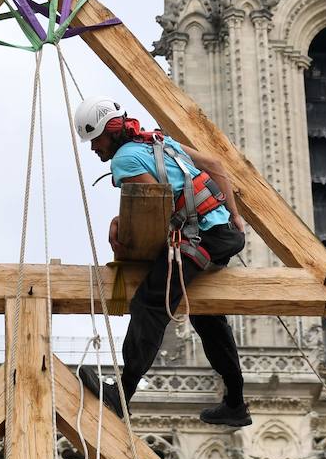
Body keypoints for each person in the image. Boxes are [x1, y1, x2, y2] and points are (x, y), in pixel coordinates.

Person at [73, 96, 252, 428]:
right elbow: (215, 165)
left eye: (94, 139)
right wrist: (236, 218)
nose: (93, 148)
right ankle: (236, 403)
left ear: (109, 132)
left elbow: (154, 208)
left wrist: (120, 229)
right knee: (206, 316)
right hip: (222, 233)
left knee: (150, 304)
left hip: (200, 238)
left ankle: (121, 395)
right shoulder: (157, 140)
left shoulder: (125, 161)